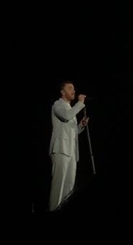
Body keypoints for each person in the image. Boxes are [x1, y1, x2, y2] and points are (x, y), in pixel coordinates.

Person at [48, 80, 89, 211]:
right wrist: (80, 103)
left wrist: (81, 126)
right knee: (58, 187)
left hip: (71, 152)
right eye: (70, 88)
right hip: (61, 149)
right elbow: (66, 117)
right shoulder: (57, 105)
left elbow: (72, 131)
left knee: (69, 188)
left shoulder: (71, 109)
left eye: (74, 88)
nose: (74, 91)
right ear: (62, 92)